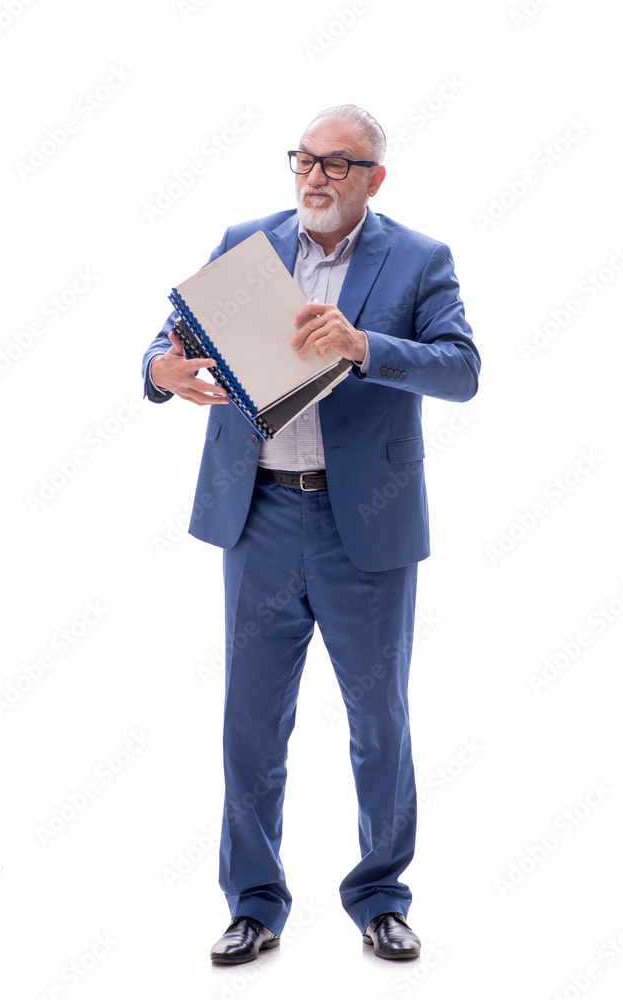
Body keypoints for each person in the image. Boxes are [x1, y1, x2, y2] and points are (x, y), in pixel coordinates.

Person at [142, 104, 480, 964]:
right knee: (250, 721)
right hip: (258, 516)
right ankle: (253, 902)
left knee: (378, 720)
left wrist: (367, 345)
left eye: (337, 163)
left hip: (360, 525)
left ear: (374, 178)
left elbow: (463, 369)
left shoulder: (418, 259)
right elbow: (171, 335)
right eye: (305, 159)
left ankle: (379, 897)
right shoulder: (247, 245)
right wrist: (159, 368)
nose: (315, 175)